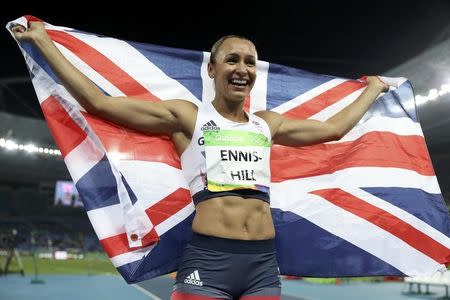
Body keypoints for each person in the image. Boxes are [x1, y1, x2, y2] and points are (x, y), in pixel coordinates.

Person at [12, 22, 389, 299]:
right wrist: (44, 42)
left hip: (262, 265)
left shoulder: (267, 124)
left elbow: (334, 128)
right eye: (232, 60)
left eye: (250, 62)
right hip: (207, 263)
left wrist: (372, 90)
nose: (242, 68)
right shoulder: (188, 118)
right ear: (212, 69)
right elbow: (100, 103)